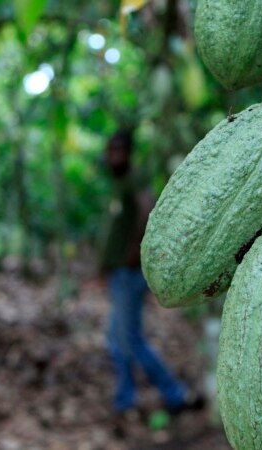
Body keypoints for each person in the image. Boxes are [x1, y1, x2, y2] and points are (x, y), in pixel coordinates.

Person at [101, 129, 203, 425]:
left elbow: (147, 209)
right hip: (119, 272)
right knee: (117, 338)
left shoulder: (133, 180)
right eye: (110, 151)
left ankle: (174, 394)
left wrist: (136, 250)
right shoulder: (119, 183)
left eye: (118, 151)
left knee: (129, 339)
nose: (113, 156)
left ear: (129, 153)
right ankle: (126, 399)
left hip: (129, 273)